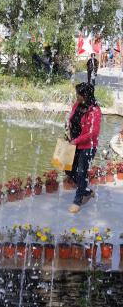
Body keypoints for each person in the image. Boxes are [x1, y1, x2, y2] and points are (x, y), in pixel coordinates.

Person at [66, 82, 101, 213]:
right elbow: (71, 118)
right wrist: (68, 129)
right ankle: (86, 191)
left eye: (78, 94)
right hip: (73, 142)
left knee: (81, 172)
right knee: (68, 170)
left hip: (87, 146)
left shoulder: (95, 110)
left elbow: (93, 133)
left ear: (85, 95)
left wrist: (76, 141)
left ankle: (77, 201)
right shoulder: (77, 104)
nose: (77, 96)